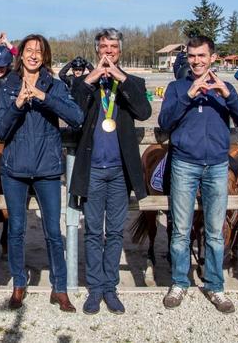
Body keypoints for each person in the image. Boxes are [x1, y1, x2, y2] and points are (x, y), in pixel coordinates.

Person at [0, 34, 83, 312]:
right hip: (14, 169)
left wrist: (44, 97)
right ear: (20, 55)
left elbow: (77, 117)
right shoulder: (7, 85)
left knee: (53, 231)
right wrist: (18, 105)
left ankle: (60, 289)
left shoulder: (54, 85)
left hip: (47, 168)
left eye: (38, 51)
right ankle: (19, 284)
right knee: (16, 230)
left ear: (45, 57)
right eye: (28, 50)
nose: (33, 55)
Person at [158, 35, 238, 314]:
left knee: (214, 232)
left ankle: (215, 285)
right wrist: (187, 96)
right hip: (185, 164)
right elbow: (164, 122)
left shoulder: (226, 88)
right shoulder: (176, 87)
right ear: (186, 57)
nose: (197, 61)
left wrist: (228, 95)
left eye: (202, 56)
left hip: (217, 166)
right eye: (192, 56)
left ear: (213, 57)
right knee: (181, 230)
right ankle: (179, 282)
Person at [69, 28, 152, 315]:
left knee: (115, 232)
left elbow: (143, 112)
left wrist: (121, 79)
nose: (108, 51)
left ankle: (110, 288)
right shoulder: (86, 84)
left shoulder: (133, 82)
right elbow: (72, 113)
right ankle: (94, 289)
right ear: (96, 50)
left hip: (119, 171)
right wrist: (90, 80)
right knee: (92, 231)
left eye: (113, 46)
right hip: (92, 169)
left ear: (120, 50)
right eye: (103, 46)